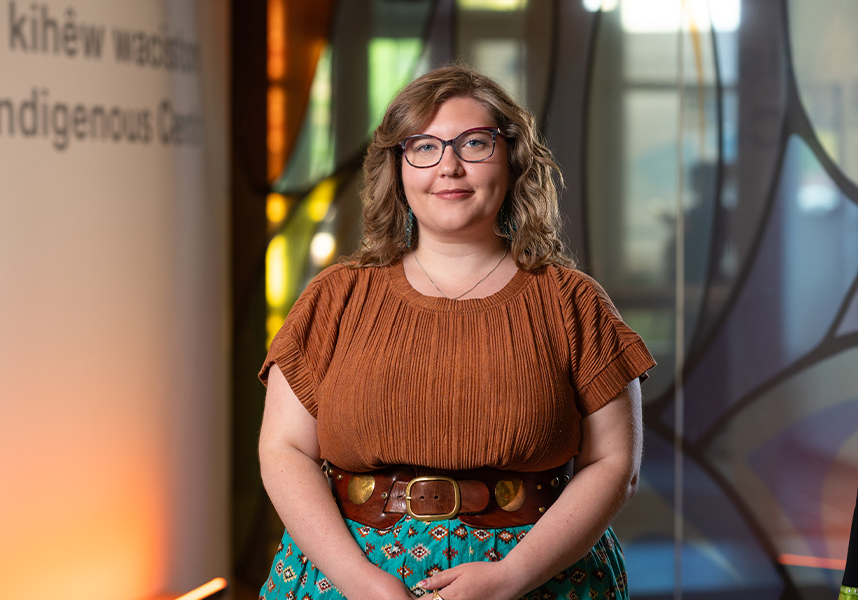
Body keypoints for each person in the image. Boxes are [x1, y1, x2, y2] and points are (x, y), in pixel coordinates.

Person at [257, 64, 656, 600]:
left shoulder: (574, 303)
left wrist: (512, 577)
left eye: (473, 144)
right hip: (345, 580)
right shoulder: (334, 298)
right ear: (398, 168)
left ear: (512, 159)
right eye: (424, 147)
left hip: (541, 581)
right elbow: (284, 450)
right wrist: (360, 582)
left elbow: (615, 465)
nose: (449, 166)